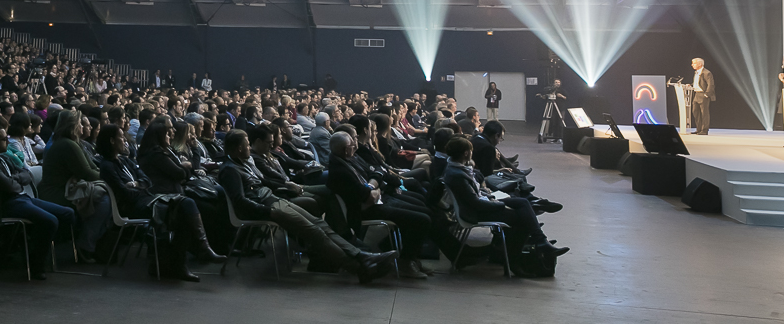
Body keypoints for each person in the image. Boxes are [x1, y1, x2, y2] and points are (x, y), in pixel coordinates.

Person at [216, 128, 395, 282]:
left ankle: (362, 256)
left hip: (273, 200)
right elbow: (240, 202)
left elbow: (264, 183)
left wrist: (286, 186)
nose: (250, 147)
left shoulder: (242, 163)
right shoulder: (230, 170)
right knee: (314, 232)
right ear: (239, 148)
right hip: (269, 208)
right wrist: (268, 211)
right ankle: (360, 267)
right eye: (247, 145)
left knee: (321, 224)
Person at [99, 122, 223, 281]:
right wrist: (140, 186)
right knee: (186, 204)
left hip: (147, 199)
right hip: (133, 207)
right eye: (121, 137)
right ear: (111, 141)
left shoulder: (125, 161)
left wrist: (136, 184)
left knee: (185, 209)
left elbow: (146, 180)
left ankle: (180, 264)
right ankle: (196, 253)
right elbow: (126, 194)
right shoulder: (107, 166)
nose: (125, 140)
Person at [322, 130, 433, 279]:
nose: (355, 145)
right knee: (422, 220)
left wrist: (372, 186)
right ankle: (406, 262)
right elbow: (368, 196)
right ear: (346, 149)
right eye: (352, 144)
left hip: (378, 201)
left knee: (424, 212)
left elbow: (376, 171)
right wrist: (374, 186)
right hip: (365, 210)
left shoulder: (351, 158)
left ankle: (407, 256)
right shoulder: (339, 171)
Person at [0, 121, 75, 280]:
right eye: (4, 139)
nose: (7, 142)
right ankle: (36, 263)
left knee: (68, 213)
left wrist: (15, 179)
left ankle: (33, 246)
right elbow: (9, 186)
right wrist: (16, 180)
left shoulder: (2, 157)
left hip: (21, 198)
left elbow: (27, 174)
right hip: (5, 204)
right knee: (50, 221)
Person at [443, 137, 567, 262]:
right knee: (521, 217)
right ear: (466, 153)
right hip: (476, 212)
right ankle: (514, 258)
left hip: (482, 203)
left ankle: (539, 240)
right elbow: (476, 203)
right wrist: (500, 204)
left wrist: (492, 197)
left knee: (522, 202)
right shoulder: (459, 175)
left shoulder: (456, 169)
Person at [37, 109, 108, 261]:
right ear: (73, 126)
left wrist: (105, 176)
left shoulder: (74, 143)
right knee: (104, 201)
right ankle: (86, 245)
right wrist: (109, 178)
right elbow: (87, 173)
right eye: (80, 124)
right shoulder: (67, 145)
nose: (83, 127)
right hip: (57, 193)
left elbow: (92, 168)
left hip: (66, 189)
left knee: (105, 195)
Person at [689, 57, 715, 135]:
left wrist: (707, 94)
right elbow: (698, 83)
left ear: (700, 64)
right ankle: (699, 129)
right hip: (696, 94)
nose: (692, 65)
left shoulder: (707, 73)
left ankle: (704, 130)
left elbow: (711, 84)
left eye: (694, 63)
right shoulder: (696, 73)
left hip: (703, 94)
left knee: (704, 113)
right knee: (695, 111)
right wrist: (691, 85)